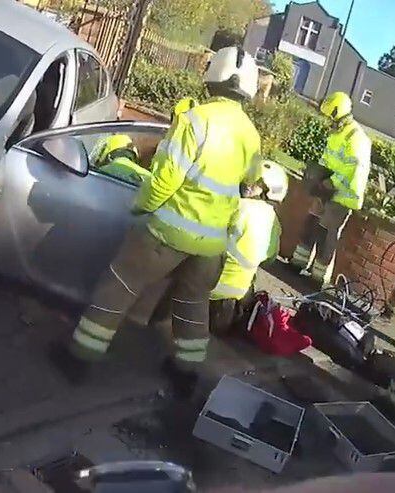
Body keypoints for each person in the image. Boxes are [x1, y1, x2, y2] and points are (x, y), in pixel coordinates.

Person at [52, 46, 262, 391]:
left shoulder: (196, 120)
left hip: (168, 235)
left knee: (118, 288)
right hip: (211, 246)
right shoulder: (251, 135)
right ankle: (185, 375)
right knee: (192, 305)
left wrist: (140, 206)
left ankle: (79, 358)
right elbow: (248, 183)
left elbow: (165, 179)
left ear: (214, 76)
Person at [291, 92, 372, 286]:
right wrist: (317, 177)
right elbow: (327, 161)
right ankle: (297, 264)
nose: (329, 122)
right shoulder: (338, 134)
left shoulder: (356, 137)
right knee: (311, 224)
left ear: (338, 113)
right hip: (326, 190)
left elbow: (353, 169)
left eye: (331, 118)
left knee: (327, 235)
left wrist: (331, 182)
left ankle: (318, 278)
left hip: (342, 196)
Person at [209, 161, 288, 336]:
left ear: (268, 190)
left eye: (256, 183)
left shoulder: (235, 205)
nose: (249, 185)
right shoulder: (274, 222)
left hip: (203, 292)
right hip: (233, 307)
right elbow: (270, 258)